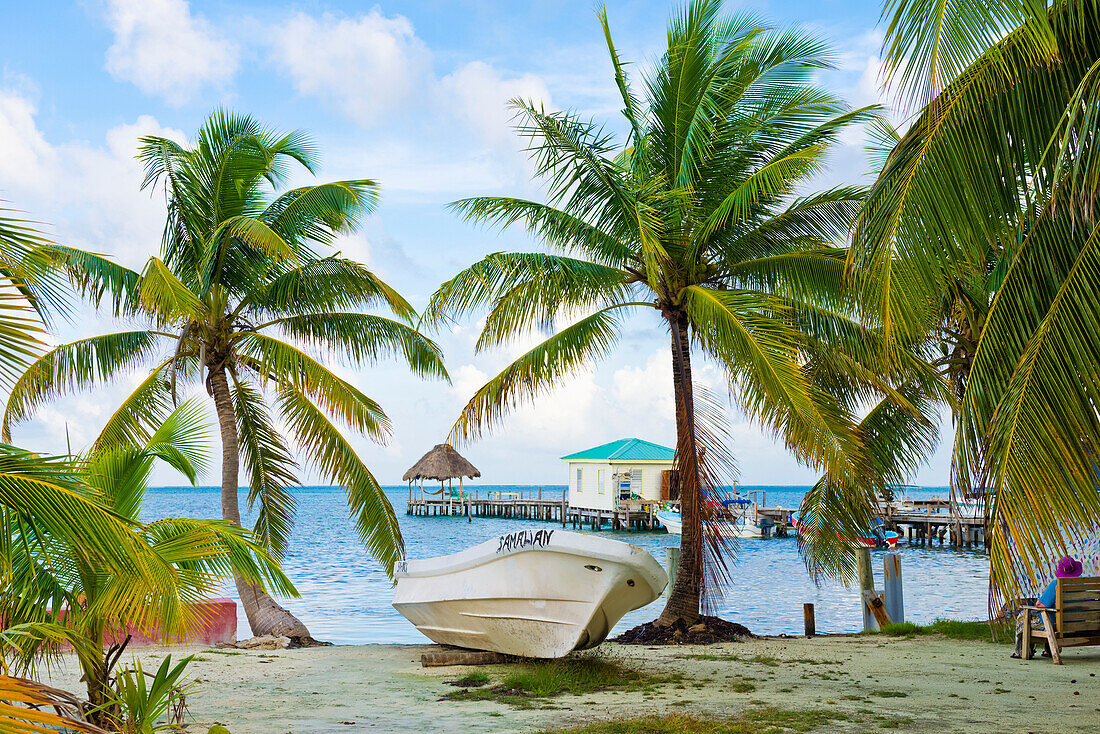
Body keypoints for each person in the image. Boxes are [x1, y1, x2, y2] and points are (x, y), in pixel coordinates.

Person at [1012, 555, 1084, 658]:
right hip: (1077, 620)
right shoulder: (1082, 584)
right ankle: (1048, 650)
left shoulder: (1056, 584)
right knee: (1048, 615)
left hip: (1057, 623)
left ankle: (1022, 651)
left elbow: (1041, 605)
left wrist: (1038, 602)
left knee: (1023, 616)